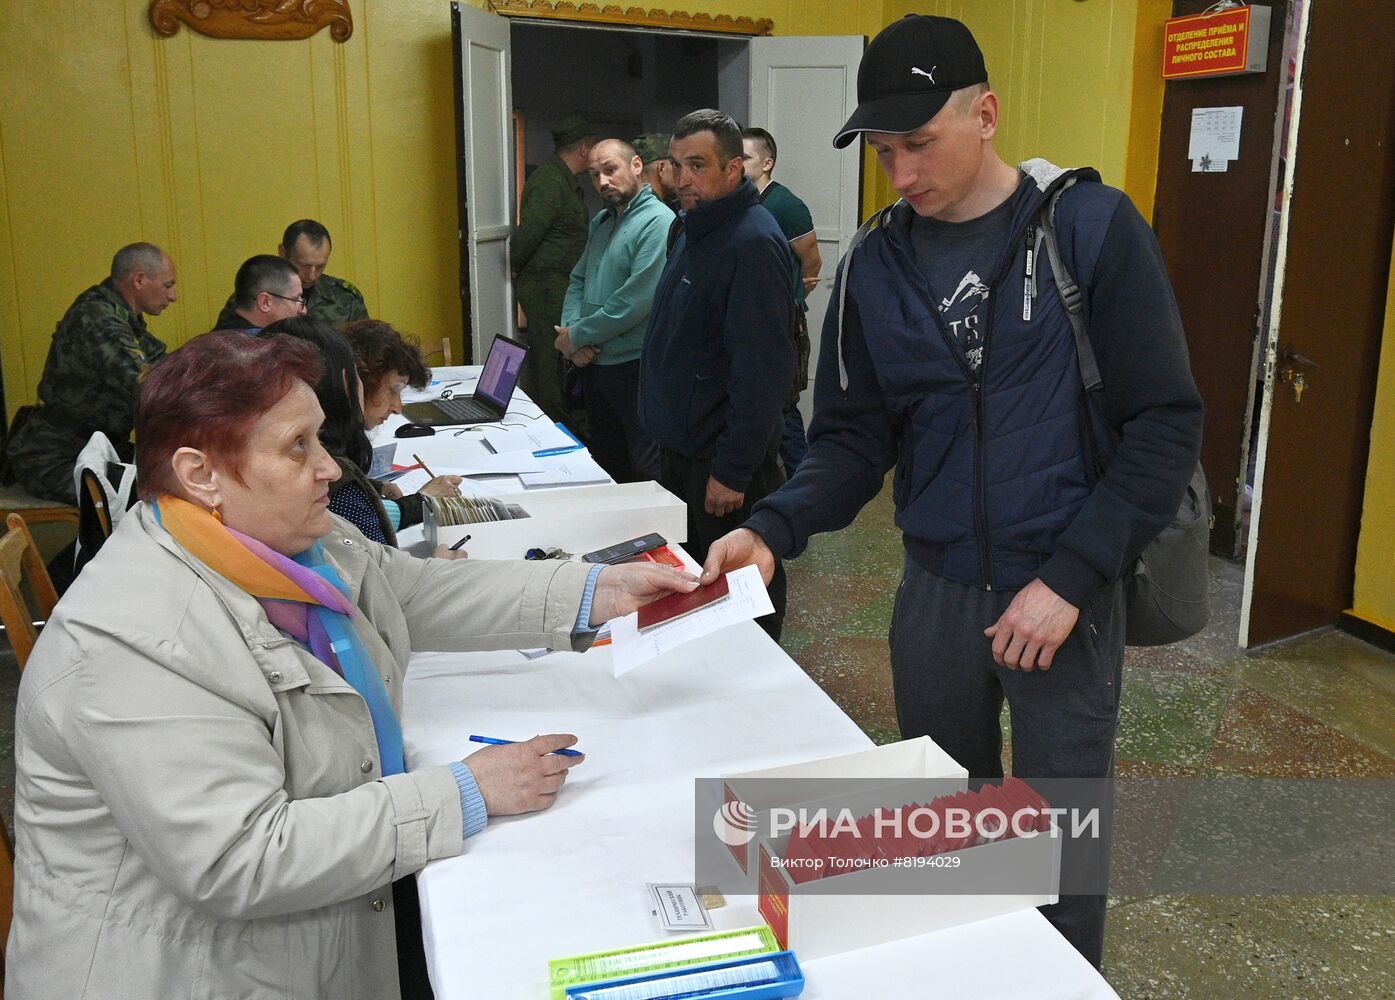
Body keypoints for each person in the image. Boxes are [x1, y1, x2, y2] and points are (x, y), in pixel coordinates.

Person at [702, 15, 1204, 968]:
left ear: (985, 113)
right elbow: (854, 442)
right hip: (933, 588)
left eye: (918, 143)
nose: (899, 172)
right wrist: (774, 524)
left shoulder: (1088, 230)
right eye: (883, 150)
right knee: (952, 832)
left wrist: (1069, 577)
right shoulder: (874, 266)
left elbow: (1164, 426)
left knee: (1057, 843)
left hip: (1062, 588)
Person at [6, 331, 698, 1000]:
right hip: (189, 970)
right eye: (297, 446)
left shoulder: (285, 541)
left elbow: (412, 591)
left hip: (293, 931)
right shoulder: (137, 639)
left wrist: (593, 592)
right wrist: (464, 793)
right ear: (200, 474)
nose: (330, 468)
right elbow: (241, 859)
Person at [638, 109, 797, 641]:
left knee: (743, 601)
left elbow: (762, 374)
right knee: (697, 593)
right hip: (682, 450)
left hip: (725, 465)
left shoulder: (751, 242)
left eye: (698, 165)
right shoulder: (690, 229)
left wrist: (731, 469)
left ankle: (763, 695)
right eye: (676, 164)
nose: (683, 178)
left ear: (734, 170)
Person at [266, 317, 461, 549]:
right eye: (354, 375)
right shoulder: (336, 483)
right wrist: (416, 507)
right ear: (343, 385)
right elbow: (375, 569)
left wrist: (370, 490)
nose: (398, 407)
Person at [4, 242, 175, 503]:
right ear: (139, 279)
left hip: (94, 450)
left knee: (173, 479)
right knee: (145, 498)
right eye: (167, 285)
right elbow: (148, 387)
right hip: (56, 457)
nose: (173, 296)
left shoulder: (120, 314)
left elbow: (167, 367)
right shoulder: (98, 318)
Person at [555, 138, 673, 483]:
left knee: (644, 469)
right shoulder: (603, 221)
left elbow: (634, 302)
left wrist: (575, 336)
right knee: (607, 461)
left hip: (634, 366)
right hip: (595, 364)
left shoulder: (658, 221)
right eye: (595, 175)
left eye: (611, 170)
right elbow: (578, 279)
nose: (603, 181)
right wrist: (572, 333)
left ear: (636, 165)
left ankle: (656, 539)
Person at [741, 126, 822, 476]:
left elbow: (812, 263)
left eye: (744, 157)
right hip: (749, 324)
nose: (737, 163)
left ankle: (804, 487)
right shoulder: (740, 203)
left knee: (783, 410)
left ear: (766, 163)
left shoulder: (785, 204)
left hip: (781, 326)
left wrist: (787, 302)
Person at [512, 114, 596, 423]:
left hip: (557, 284)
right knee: (548, 364)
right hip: (545, 285)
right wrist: (519, 269)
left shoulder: (561, 180)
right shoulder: (550, 182)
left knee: (557, 360)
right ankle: (550, 425)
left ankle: (560, 421)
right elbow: (528, 235)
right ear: (585, 148)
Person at [213, 254, 306, 332]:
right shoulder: (270, 350)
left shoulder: (212, 340)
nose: (303, 310)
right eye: (295, 299)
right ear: (265, 302)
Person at [633, 132, 680, 213]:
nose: (680, 172)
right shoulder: (660, 212)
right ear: (661, 168)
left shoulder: (627, 205)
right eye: (675, 165)